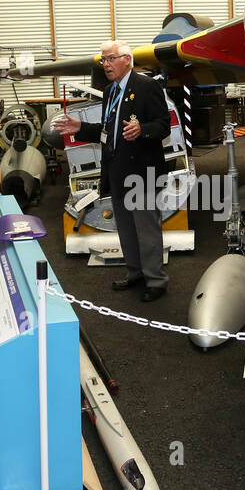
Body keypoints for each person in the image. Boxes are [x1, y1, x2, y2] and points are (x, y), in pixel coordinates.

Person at [54, 40, 170, 301]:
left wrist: (143, 130)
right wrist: (80, 127)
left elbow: (163, 125)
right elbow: (108, 131)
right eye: (103, 60)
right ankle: (136, 273)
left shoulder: (147, 86)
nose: (105, 64)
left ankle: (156, 281)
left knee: (147, 229)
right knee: (126, 227)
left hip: (142, 171)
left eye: (110, 59)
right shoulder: (110, 91)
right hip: (117, 169)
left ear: (126, 59)